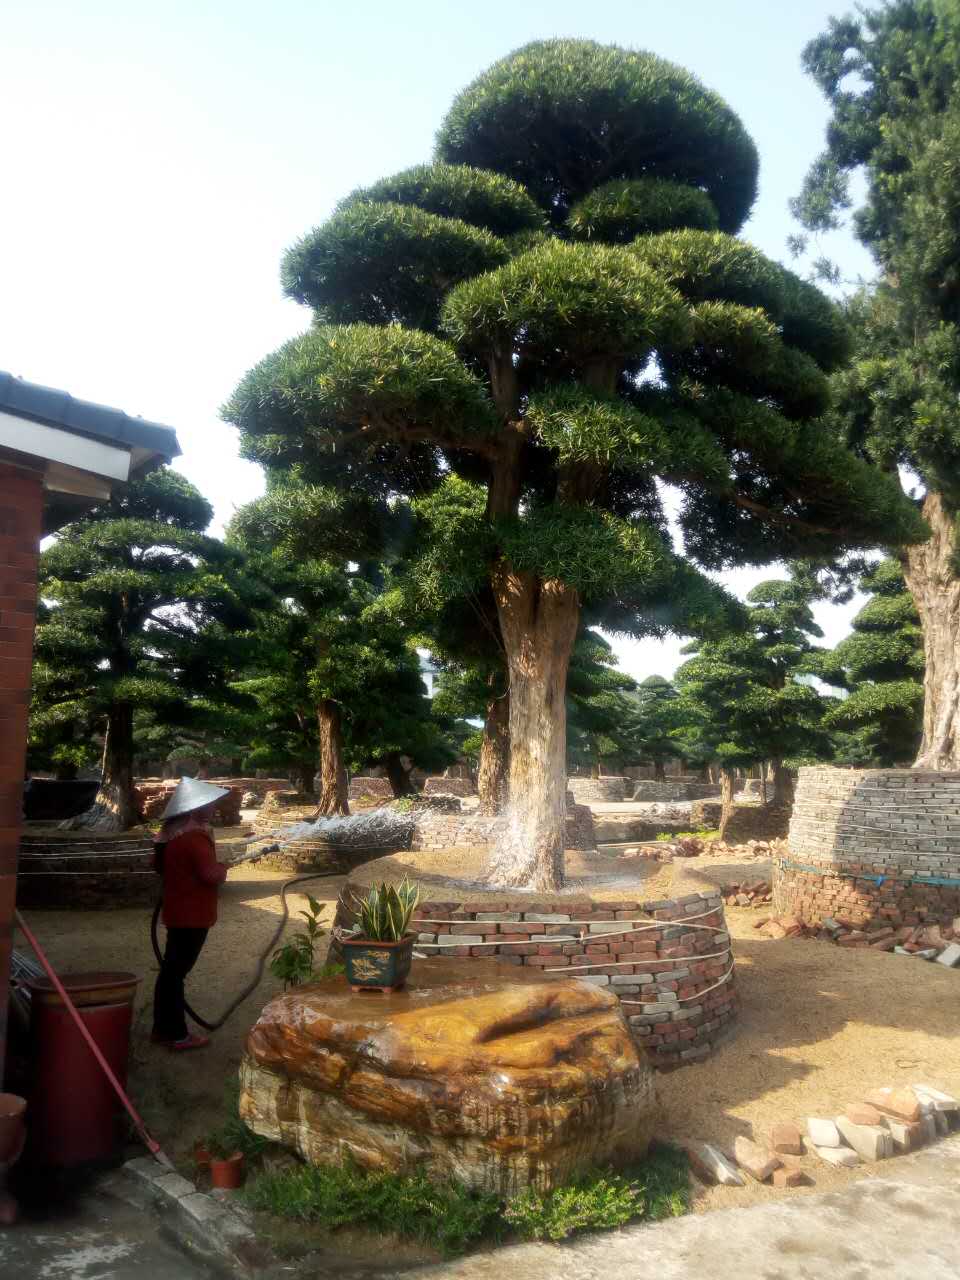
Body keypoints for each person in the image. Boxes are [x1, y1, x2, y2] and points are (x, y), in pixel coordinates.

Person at [151, 778, 230, 1051]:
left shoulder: (169, 833)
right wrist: (224, 867)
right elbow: (211, 875)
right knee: (175, 975)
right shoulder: (195, 837)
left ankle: (162, 1029)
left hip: (177, 911)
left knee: (170, 972)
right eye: (209, 804)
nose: (214, 808)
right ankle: (176, 1034)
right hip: (192, 915)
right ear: (195, 807)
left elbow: (158, 867)